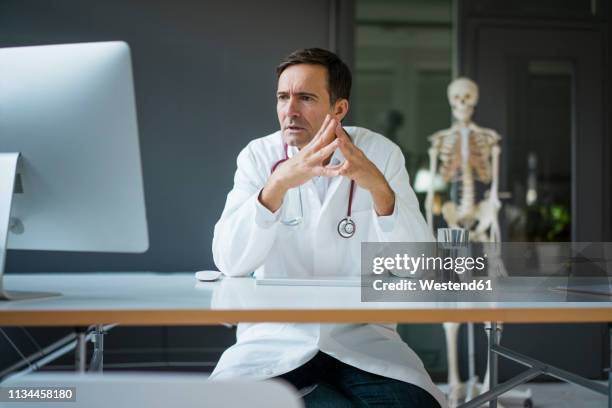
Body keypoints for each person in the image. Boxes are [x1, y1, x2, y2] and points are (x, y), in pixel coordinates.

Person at [210, 48, 445, 408]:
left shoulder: (380, 154)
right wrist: (277, 186)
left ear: (339, 109)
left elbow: (419, 267)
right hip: (276, 339)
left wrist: (379, 189)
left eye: (305, 98)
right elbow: (229, 260)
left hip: (364, 340)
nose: (289, 110)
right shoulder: (258, 157)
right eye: (283, 97)